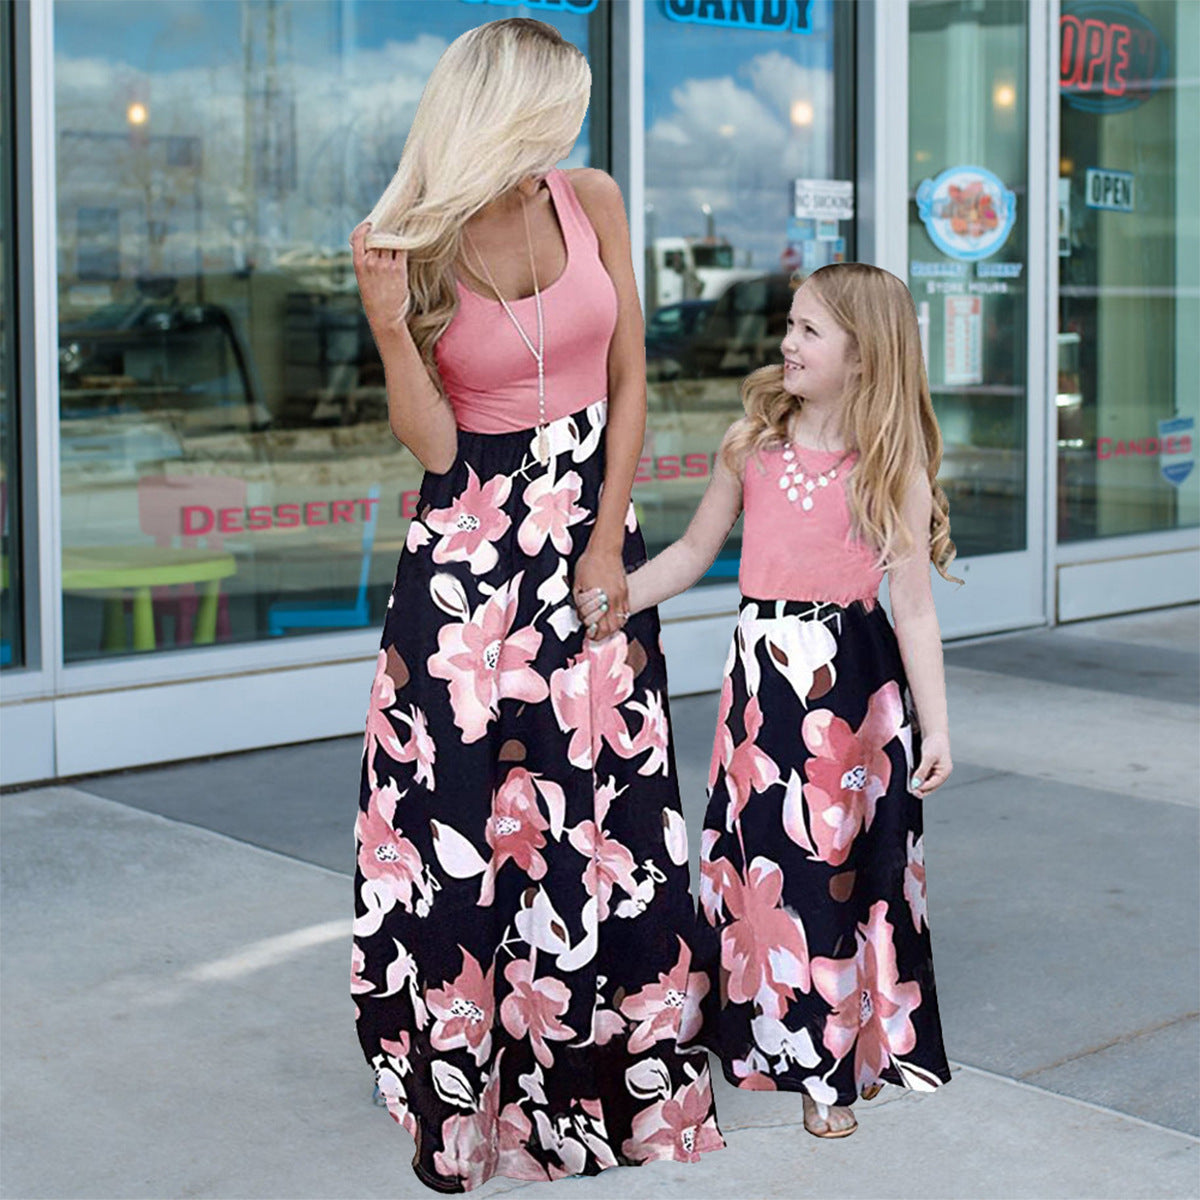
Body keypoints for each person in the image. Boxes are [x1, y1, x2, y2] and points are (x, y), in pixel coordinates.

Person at [349, 18, 723, 1192]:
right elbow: (433, 442)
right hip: (467, 558)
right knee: (468, 824)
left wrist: (609, 539)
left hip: (590, 534)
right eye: (550, 112)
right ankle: (471, 1097)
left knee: (606, 814)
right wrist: (382, 321)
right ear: (500, 113)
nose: (565, 135)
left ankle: (614, 1076)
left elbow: (629, 380)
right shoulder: (410, 235)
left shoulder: (590, 197)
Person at [578, 261, 956, 1138]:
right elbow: (692, 552)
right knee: (760, 875)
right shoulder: (752, 446)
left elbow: (914, 607)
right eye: (789, 325)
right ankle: (755, 1038)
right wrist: (618, 597)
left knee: (836, 878)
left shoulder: (888, 466)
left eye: (810, 331)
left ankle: (830, 1071)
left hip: (855, 708)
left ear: (865, 356)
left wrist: (936, 726)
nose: (787, 343)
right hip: (762, 701)